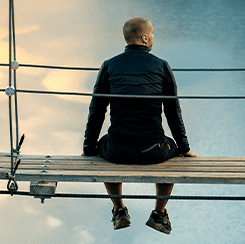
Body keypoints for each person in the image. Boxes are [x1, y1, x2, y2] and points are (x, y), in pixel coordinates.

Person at [82, 17, 197, 235]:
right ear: (144, 37)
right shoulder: (162, 66)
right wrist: (184, 148)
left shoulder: (109, 65)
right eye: (152, 34)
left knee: (103, 145)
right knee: (174, 151)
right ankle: (160, 214)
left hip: (117, 150)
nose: (153, 37)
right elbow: (173, 112)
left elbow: (96, 111)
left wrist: (89, 148)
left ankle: (118, 209)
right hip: (153, 150)